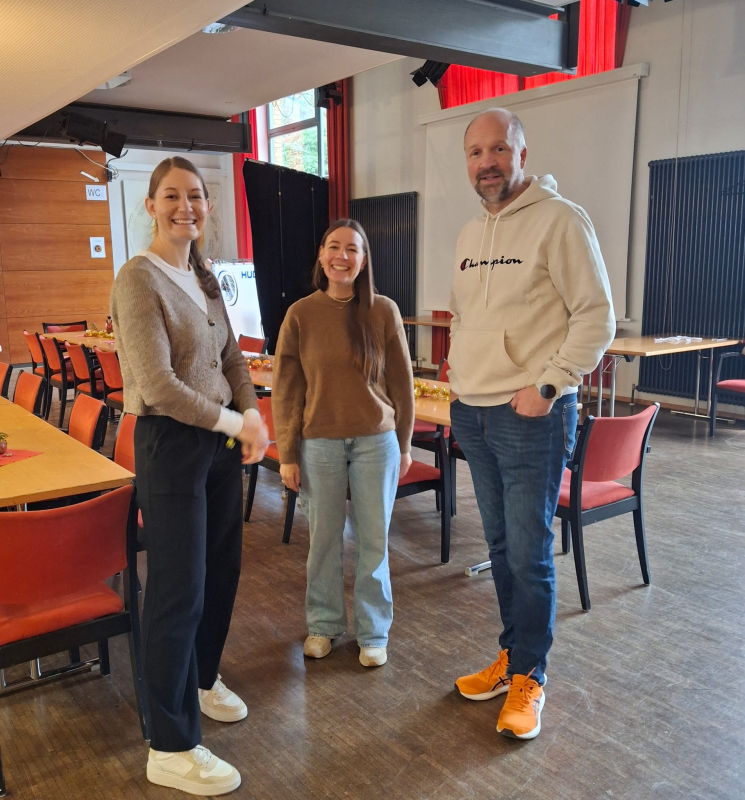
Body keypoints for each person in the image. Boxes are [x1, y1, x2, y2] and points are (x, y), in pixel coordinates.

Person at [448, 109, 615, 739]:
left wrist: (550, 385)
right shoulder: (470, 234)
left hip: (531, 415)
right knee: (498, 548)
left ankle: (531, 676)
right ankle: (512, 655)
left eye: (498, 149)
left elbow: (596, 317)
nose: (486, 162)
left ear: (521, 154)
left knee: (528, 552)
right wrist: (462, 364)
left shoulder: (561, 220)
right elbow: (464, 317)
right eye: (475, 152)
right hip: (473, 412)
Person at [110, 156, 269, 796]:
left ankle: (200, 679)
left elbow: (232, 359)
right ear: (151, 206)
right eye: (172, 196)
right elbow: (158, 386)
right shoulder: (137, 278)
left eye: (196, 196)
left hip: (220, 444)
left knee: (221, 573)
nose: (186, 206)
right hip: (172, 444)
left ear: (208, 205)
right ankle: (169, 745)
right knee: (178, 590)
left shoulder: (204, 277)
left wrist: (251, 414)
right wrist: (236, 423)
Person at [272, 219, 415, 668]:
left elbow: (403, 384)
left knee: (374, 543)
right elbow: (287, 389)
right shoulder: (300, 314)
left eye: (352, 249)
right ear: (321, 255)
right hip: (319, 444)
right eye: (334, 247)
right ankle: (324, 625)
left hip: (377, 441)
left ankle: (373, 633)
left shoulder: (383, 311)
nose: (342, 256)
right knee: (323, 542)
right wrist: (288, 453)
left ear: (363, 260)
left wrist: (405, 443)